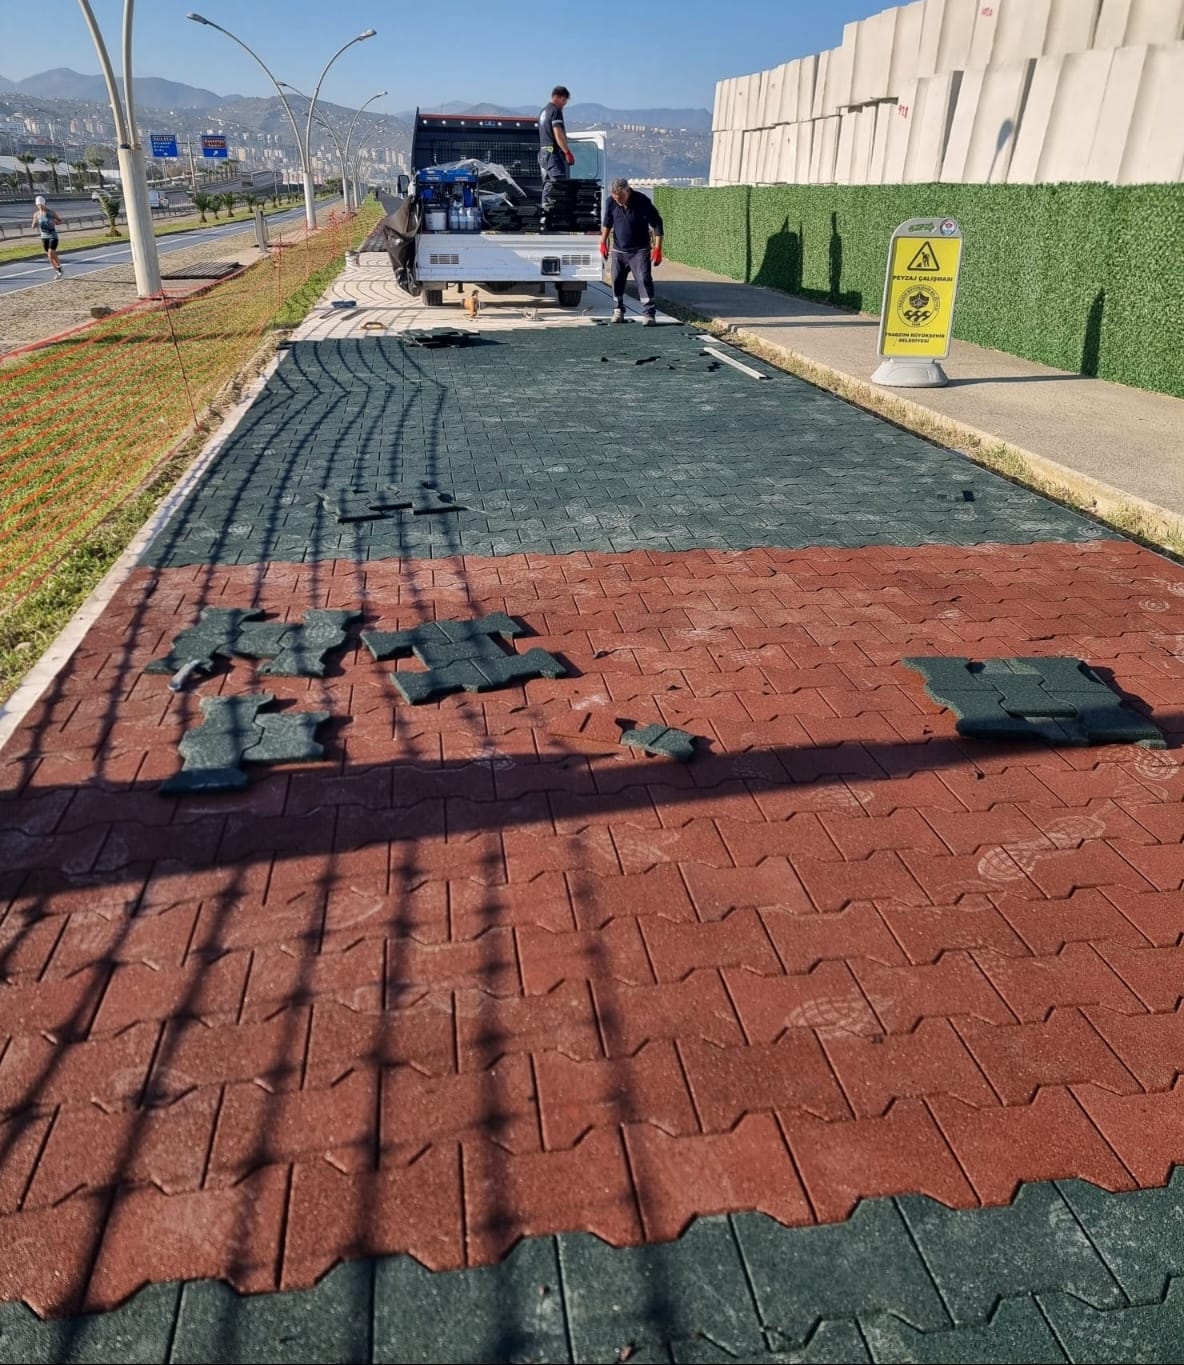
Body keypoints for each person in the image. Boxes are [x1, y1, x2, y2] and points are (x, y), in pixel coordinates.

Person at [599, 177, 664, 326]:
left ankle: (648, 314)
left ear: (627, 191)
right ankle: (618, 310)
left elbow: (657, 224)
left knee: (643, 279)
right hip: (619, 250)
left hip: (639, 250)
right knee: (616, 280)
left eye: (620, 198)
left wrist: (658, 249)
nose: (618, 202)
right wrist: (603, 242)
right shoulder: (611, 202)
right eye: (616, 199)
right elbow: (607, 223)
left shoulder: (642, 201)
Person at [538, 85, 575, 211]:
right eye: (565, 101)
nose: (564, 105)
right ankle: (556, 214)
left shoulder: (543, 112)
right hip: (552, 154)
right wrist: (567, 152)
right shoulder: (555, 111)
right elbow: (558, 134)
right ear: (561, 98)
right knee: (559, 184)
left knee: (548, 185)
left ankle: (546, 213)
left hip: (543, 154)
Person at [32, 195, 65, 279]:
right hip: (44, 236)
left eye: (41, 205)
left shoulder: (51, 213)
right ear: (36, 205)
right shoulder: (36, 214)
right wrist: (34, 223)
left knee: (51, 253)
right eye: (38, 205)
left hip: (52, 235)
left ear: (44, 204)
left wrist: (55, 221)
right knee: (50, 256)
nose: (40, 206)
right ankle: (57, 271)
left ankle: (59, 267)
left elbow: (60, 221)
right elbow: (33, 226)